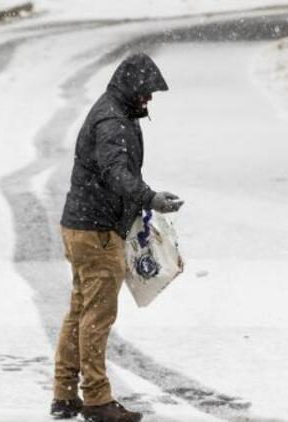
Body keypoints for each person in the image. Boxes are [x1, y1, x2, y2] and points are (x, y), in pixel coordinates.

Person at [51, 54, 183, 422]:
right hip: (97, 232)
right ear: (129, 87)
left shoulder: (113, 111)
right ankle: (96, 400)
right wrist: (150, 198)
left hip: (80, 225)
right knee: (96, 317)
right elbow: (115, 174)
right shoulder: (113, 122)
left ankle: (64, 394)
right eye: (145, 93)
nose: (149, 100)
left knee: (79, 311)